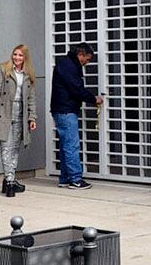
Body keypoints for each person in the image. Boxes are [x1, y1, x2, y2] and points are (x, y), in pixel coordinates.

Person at [0, 44, 38, 197]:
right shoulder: (4, 69)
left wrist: (32, 117)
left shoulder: (28, 74)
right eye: (15, 54)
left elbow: (31, 98)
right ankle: (11, 182)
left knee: (14, 149)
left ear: (25, 57)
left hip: (21, 114)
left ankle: (9, 180)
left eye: (20, 55)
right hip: (4, 112)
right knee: (6, 148)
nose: (17, 58)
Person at [50, 42, 103, 190]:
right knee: (71, 145)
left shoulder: (66, 64)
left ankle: (65, 178)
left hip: (61, 110)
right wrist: (94, 99)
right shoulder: (69, 66)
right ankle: (75, 179)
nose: (87, 62)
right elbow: (76, 89)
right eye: (87, 59)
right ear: (80, 55)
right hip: (66, 111)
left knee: (66, 145)